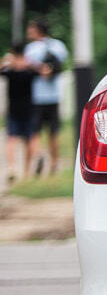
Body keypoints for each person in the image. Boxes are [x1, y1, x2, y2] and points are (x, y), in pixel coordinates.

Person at [24, 20, 69, 176]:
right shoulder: (58, 45)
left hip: (37, 96)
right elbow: (62, 63)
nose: (28, 32)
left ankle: (39, 154)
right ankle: (54, 163)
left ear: (38, 31)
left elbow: (26, 67)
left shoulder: (30, 49)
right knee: (53, 132)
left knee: (34, 130)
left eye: (31, 29)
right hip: (54, 95)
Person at [2, 43, 38, 182]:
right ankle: (27, 171)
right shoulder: (29, 70)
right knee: (29, 140)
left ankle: (12, 167)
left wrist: (7, 62)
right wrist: (29, 63)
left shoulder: (10, 71)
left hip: (13, 109)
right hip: (29, 109)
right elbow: (42, 71)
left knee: (11, 139)